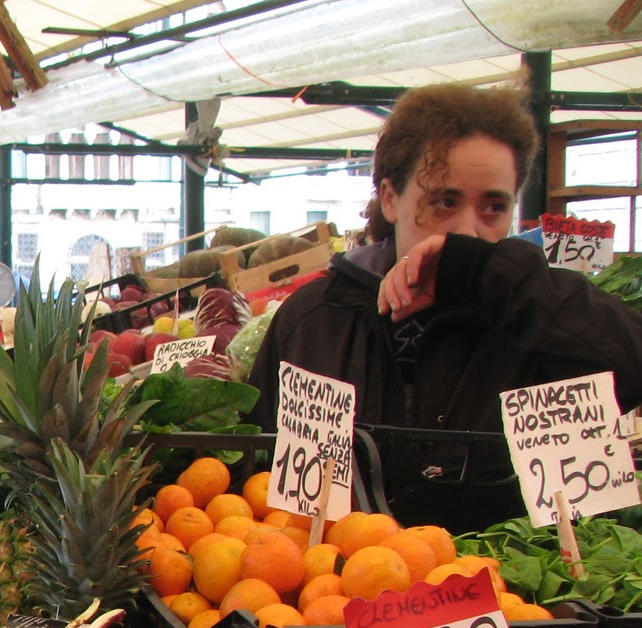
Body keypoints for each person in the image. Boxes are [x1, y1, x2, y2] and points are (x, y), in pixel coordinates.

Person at [249, 82, 642, 433]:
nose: (467, 231)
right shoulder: (314, 318)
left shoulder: (536, 320)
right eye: (443, 201)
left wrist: (501, 278)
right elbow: (256, 462)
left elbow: (632, 370)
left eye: (492, 207)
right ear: (390, 199)